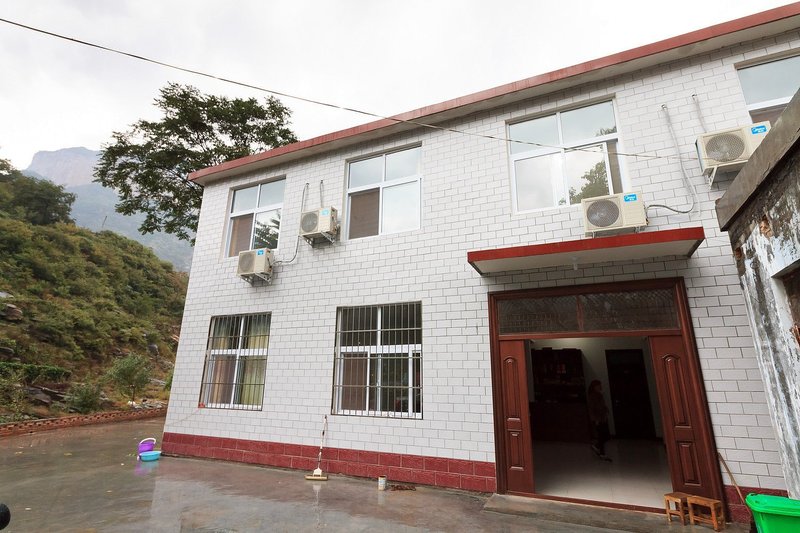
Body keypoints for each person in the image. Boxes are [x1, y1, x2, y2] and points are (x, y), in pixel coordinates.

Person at [587, 380, 612, 462]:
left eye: (600, 385)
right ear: (594, 387)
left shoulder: (599, 395)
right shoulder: (592, 396)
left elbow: (601, 405)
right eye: (598, 386)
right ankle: (602, 453)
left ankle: (597, 446)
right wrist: (595, 419)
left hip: (603, 418)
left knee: (606, 436)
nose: (599, 387)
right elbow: (591, 409)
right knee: (602, 436)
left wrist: (606, 409)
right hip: (598, 418)